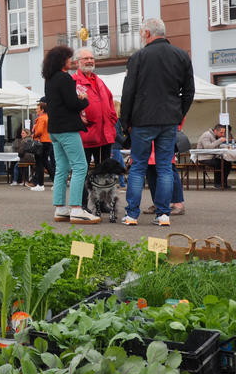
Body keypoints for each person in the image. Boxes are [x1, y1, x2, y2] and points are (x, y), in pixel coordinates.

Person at [120, 18, 195, 226]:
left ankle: (132, 214)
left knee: (138, 167)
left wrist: (124, 121)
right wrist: (179, 113)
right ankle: (163, 214)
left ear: (146, 34)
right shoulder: (181, 56)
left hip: (142, 119)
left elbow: (128, 92)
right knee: (164, 167)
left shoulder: (138, 57)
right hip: (169, 119)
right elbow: (189, 91)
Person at [42, 46, 100, 224]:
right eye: (68, 58)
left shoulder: (49, 79)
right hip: (68, 129)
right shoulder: (64, 78)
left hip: (54, 129)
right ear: (61, 60)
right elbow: (73, 103)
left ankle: (60, 208)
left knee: (61, 168)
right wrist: (83, 99)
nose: (71, 61)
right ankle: (76, 208)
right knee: (80, 166)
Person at [72, 48, 117, 207]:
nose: (90, 61)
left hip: (104, 135)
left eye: (91, 58)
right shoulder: (74, 82)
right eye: (86, 59)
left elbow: (111, 102)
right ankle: (81, 204)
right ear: (78, 62)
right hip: (84, 135)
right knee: (82, 172)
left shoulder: (99, 81)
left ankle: (103, 203)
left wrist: (112, 119)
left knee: (105, 172)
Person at [197, 123, 232, 189]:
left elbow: (215, 146)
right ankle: (217, 184)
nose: (222, 134)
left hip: (212, 157)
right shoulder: (206, 135)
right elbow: (207, 147)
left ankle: (223, 183)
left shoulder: (215, 136)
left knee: (228, 163)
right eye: (221, 132)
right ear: (215, 131)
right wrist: (219, 141)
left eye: (223, 133)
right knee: (219, 163)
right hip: (204, 158)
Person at [30, 100, 51, 191]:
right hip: (48, 141)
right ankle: (55, 180)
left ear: (42, 110)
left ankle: (40, 184)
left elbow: (39, 131)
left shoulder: (41, 118)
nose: (36, 110)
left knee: (39, 163)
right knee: (45, 162)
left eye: (37, 109)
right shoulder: (47, 117)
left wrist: (33, 135)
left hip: (41, 142)